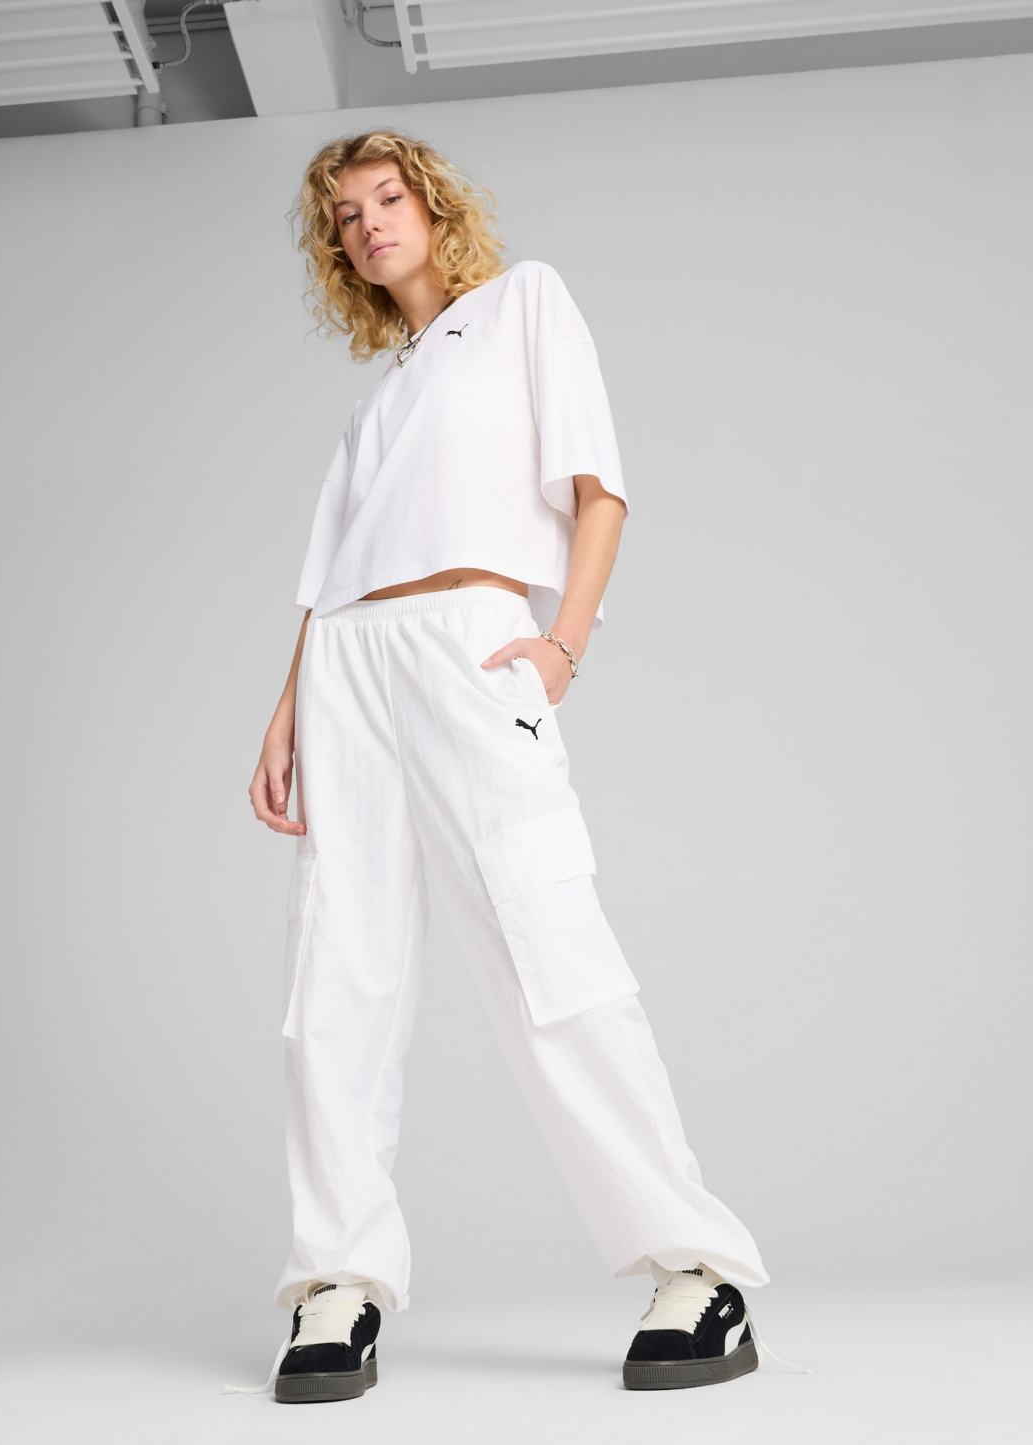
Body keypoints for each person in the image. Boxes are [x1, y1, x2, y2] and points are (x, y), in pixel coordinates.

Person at [225, 129, 805, 1404]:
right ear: (337, 250)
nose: (369, 224)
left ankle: (693, 1263)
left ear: (432, 205)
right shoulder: (374, 403)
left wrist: (561, 646)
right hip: (347, 666)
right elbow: (329, 581)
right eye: (345, 216)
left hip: (469, 643)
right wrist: (286, 711)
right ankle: (336, 1280)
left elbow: (599, 491)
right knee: (336, 973)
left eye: (386, 197)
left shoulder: (523, 304)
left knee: (547, 946)